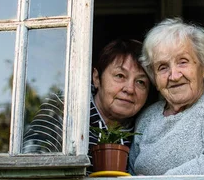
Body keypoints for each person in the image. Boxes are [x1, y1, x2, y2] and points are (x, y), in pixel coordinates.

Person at [23, 38, 152, 172]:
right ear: (96, 78)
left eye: (141, 82)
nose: (130, 89)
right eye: (120, 76)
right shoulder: (65, 109)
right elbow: (29, 163)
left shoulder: (146, 126)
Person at [128, 18, 204, 175]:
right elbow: (132, 173)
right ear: (154, 77)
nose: (174, 76)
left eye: (183, 62)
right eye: (163, 67)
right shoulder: (147, 118)